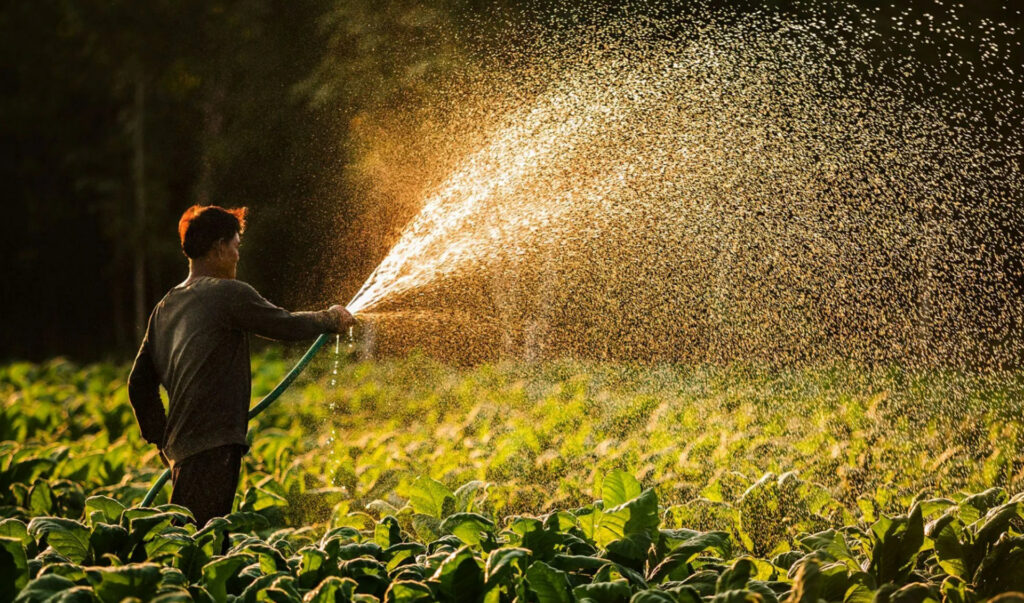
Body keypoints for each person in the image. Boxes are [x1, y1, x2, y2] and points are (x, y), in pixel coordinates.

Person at [127, 204, 355, 527]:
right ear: (219, 247)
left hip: (187, 450)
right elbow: (284, 325)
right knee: (199, 543)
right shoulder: (227, 293)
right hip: (213, 448)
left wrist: (162, 438)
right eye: (235, 246)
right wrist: (330, 318)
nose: (237, 255)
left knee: (198, 537)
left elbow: (138, 383)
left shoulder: (165, 307)